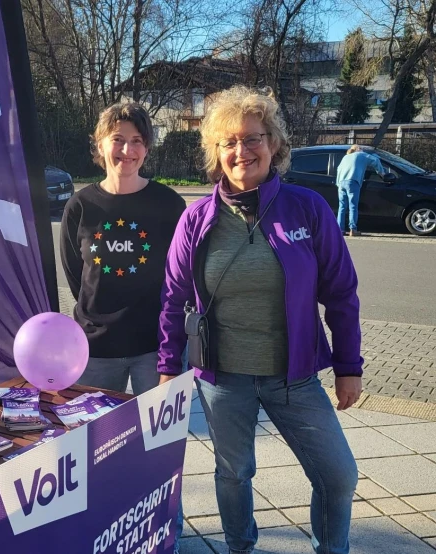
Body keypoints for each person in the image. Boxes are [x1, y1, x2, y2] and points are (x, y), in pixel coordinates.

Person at [157, 86, 362, 554]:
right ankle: (240, 547)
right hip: (222, 379)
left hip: (295, 377)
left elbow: (341, 292)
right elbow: (173, 298)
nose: (240, 151)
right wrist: (169, 366)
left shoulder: (307, 208)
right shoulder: (195, 219)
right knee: (234, 473)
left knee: (337, 475)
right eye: (227, 142)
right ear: (215, 153)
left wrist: (349, 366)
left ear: (274, 144)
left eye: (252, 139)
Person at [60, 102, 186, 396]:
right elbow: (75, 276)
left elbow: (182, 275)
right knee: (96, 440)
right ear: (100, 145)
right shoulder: (80, 206)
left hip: (156, 348)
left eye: (137, 141)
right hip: (95, 348)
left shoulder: (169, 205)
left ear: (147, 149)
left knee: (156, 441)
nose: (127, 150)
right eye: (118, 139)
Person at [336, 144, 387, 236]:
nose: (363, 150)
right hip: (353, 181)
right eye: (361, 148)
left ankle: (339, 229)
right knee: (353, 206)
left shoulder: (345, 157)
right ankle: (353, 229)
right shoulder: (361, 155)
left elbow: (338, 169)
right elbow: (375, 160)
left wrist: (338, 183)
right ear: (358, 149)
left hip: (341, 183)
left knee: (342, 207)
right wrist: (381, 173)